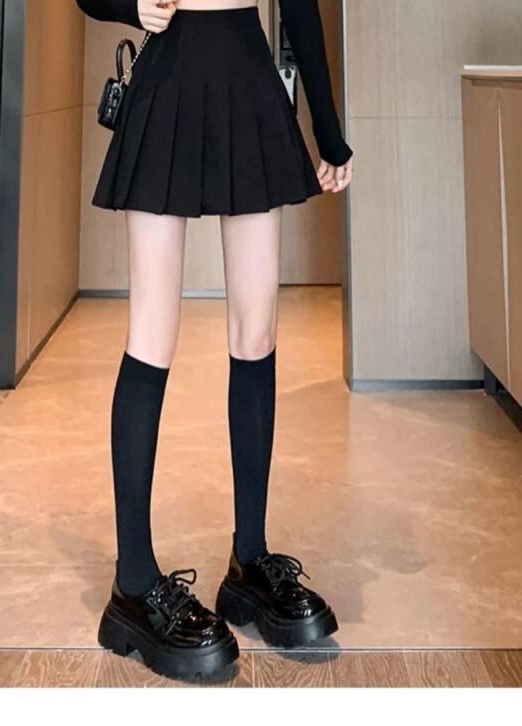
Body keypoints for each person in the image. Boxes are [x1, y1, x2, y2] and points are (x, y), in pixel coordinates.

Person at [75, 0, 353, 680]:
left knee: (256, 333)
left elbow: (299, 6)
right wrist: (130, 5)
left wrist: (329, 130)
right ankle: (133, 584)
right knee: (151, 337)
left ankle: (248, 562)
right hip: (166, 83)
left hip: (248, 80)